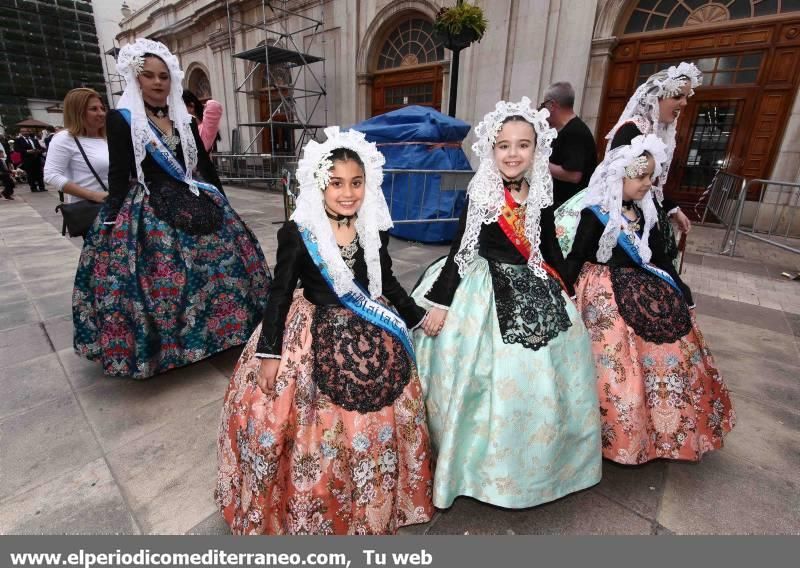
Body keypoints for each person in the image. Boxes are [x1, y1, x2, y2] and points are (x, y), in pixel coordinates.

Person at [216, 126, 434, 535]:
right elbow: (279, 294)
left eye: (356, 183)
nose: (347, 193)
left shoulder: (373, 229)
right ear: (319, 184)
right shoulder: (299, 233)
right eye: (336, 184)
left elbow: (384, 282)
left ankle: (379, 500)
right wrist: (269, 352)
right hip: (311, 331)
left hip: (371, 331)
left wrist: (417, 315)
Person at [411, 98, 601, 510]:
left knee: (548, 377)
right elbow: (461, 252)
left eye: (523, 145)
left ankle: (540, 465)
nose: (513, 154)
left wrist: (565, 286)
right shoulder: (481, 193)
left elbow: (547, 247)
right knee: (481, 379)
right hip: (482, 285)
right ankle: (473, 465)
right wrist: (441, 304)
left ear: (537, 149)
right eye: (503, 145)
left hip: (533, 282)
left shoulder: (541, 193)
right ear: (491, 149)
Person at [72, 38, 271, 379]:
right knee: (162, 273)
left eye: (163, 76)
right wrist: (112, 215)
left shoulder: (185, 120)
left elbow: (203, 168)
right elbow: (120, 173)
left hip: (191, 196)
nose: (157, 82)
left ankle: (224, 333)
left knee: (224, 264)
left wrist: (224, 204)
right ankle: (167, 350)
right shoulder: (123, 119)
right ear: (136, 78)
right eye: (149, 75)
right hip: (149, 204)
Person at [562, 133, 734, 464]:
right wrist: (564, 291)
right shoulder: (594, 214)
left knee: (674, 349)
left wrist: (679, 287)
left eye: (650, 177)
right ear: (618, 176)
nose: (646, 184)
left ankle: (669, 433)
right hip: (604, 290)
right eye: (639, 176)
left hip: (646, 287)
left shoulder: (646, 211)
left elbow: (659, 256)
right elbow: (576, 257)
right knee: (616, 359)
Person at [555, 62, 701, 262]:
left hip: (639, 207)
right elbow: (618, 182)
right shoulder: (633, 129)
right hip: (618, 209)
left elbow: (649, 183)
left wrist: (672, 208)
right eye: (677, 96)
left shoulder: (656, 131)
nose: (684, 103)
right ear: (654, 98)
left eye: (686, 97)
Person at [44, 89, 109, 204]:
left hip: (120, 208)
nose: (101, 113)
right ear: (77, 112)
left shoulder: (108, 137)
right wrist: (93, 195)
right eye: (93, 109)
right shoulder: (65, 138)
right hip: (90, 210)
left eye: (102, 108)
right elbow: (51, 175)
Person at [542, 81, 597, 207]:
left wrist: (537, 162)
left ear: (552, 105)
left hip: (568, 208)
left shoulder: (575, 132)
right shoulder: (568, 129)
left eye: (544, 104)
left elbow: (573, 175)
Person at [15, 127, 47, 192]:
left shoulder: (33, 139)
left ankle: (42, 187)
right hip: (27, 159)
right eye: (23, 131)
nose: (25, 133)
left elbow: (39, 147)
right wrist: (27, 151)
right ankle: (33, 187)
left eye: (26, 131)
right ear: (21, 133)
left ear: (28, 132)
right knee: (30, 174)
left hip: (36, 158)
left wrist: (39, 150)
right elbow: (17, 149)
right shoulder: (19, 140)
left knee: (39, 173)